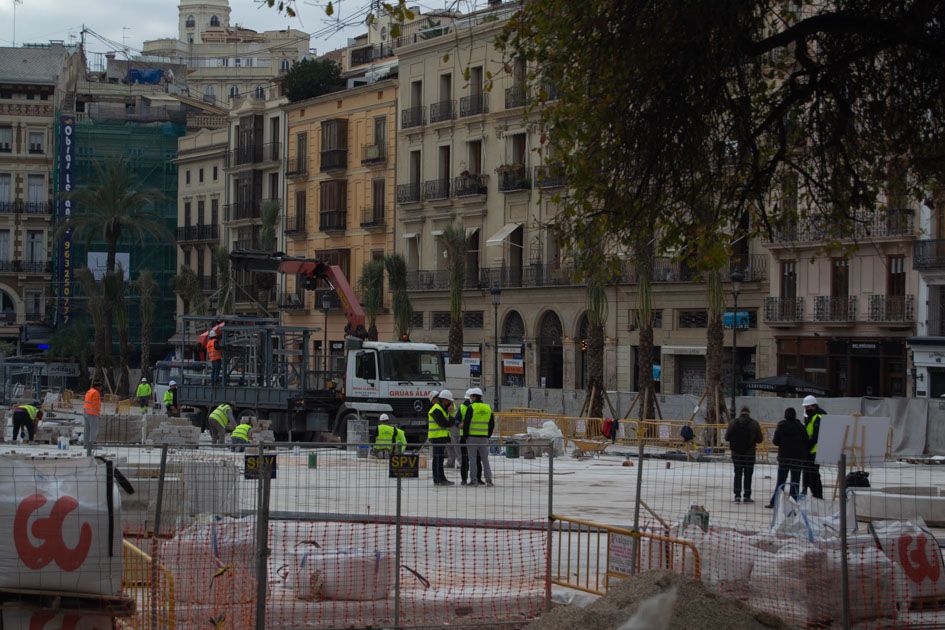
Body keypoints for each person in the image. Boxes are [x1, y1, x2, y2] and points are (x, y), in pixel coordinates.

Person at [766, 407, 809, 508]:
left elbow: (775, 441)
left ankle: (775, 502)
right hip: (797, 459)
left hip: (784, 458)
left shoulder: (781, 426)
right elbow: (806, 441)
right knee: (795, 482)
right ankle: (793, 502)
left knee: (781, 482)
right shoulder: (800, 427)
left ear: (785, 415)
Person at [724, 405, 763, 503]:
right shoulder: (754, 423)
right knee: (748, 475)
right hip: (749, 454)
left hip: (736, 454)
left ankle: (737, 495)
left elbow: (726, 437)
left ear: (740, 413)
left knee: (737, 474)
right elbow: (759, 439)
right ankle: (747, 496)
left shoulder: (733, 423)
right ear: (749, 413)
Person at [463, 387, 494, 487]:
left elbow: (466, 423)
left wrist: (465, 436)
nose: (470, 398)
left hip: (472, 438)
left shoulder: (471, 407)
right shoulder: (488, 407)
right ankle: (488, 480)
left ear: (475, 397)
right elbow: (491, 424)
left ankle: (474, 481)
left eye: (471, 396)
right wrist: (487, 435)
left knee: (472, 460)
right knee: (485, 460)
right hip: (484, 438)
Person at [428, 390, 455, 486]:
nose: (449, 403)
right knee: (438, 459)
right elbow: (444, 423)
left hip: (440, 437)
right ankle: (439, 479)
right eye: (449, 401)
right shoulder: (436, 409)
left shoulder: (442, 409)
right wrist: (450, 421)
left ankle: (439, 479)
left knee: (438, 459)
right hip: (437, 437)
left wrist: (450, 417)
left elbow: (451, 421)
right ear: (444, 400)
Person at [802, 395, 825, 499]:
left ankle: (818, 494)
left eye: (807, 407)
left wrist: (808, 446)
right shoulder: (810, 416)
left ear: (814, 406)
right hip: (810, 449)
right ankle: (811, 492)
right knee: (809, 473)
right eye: (805, 407)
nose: (806, 409)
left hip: (815, 450)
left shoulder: (819, 416)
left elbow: (816, 436)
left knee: (814, 474)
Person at [458, 390, 483, 485]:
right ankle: (465, 479)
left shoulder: (475, 407)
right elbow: (457, 420)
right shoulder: (463, 407)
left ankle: (477, 478)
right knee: (466, 459)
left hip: (471, 437)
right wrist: (458, 424)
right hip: (467, 437)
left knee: (476, 459)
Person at [84, 381, 102, 449]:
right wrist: (98, 413)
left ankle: (86, 444)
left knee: (87, 429)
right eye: (100, 387)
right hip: (93, 413)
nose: (101, 388)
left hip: (86, 412)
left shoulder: (89, 391)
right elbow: (96, 404)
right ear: (97, 386)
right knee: (93, 429)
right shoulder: (96, 392)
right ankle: (92, 444)